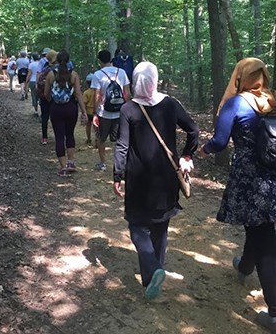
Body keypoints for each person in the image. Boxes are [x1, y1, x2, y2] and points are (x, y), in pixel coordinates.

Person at [199, 57, 276, 332]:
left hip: (249, 178)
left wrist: (203, 150)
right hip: (273, 175)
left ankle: (274, 311)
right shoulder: (272, 100)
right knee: (257, 228)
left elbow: (220, 141)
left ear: (240, 77)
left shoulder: (236, 103)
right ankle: (244, 267)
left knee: (264, 238)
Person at [113, 61, 199, 300]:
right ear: (155, 79)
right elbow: (193, 129)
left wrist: (117, 175)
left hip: (138, 179)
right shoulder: (170, 104)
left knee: (136, 225)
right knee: (160, 228)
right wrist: (187, 155)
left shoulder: (128, 109)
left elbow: (122, 145)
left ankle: (152, 270)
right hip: (166, 179)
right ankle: (154, 277)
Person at [44, 50, 88, 177]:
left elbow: (46, 93)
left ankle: (63, 168)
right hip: (71, 108)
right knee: (70, 134)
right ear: (69, 60)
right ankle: (71, 162)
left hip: (56, 109)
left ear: (56, 60)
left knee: (59, 136)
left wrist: (51, 101)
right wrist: (83, 111)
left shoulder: (51, 75)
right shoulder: (73, 74)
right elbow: (78, 94)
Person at [91, 49, 131, 171]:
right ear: (111, 59)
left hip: (104, 113)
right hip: (120, 112)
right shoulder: (122, 72)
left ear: (99, 60)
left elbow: (97, 96)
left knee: (101, 138)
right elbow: (127, 93)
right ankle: (120, 164)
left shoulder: (97, 74)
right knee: (121, 140)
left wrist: (95, 112)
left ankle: (103, 163)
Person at [38, 50, 58, 145]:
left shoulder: (45, 68)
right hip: (55, 98)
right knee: (56, 118)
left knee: (44, 117)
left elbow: (39, 81)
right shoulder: (59, 70)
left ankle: (44, 137)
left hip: (44, 97)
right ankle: (58, 136)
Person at [25, 51, 40, 116]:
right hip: (40, 81)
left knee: (34, 96)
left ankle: (36, 111)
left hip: (32, 81)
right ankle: (42, 111)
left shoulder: (31, 64)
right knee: (41, 96)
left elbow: (29, 74)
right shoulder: (41, 64)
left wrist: (26, 82)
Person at [82, 73, 96, 145]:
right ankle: (97, 140)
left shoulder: (86, 93)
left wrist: (83, 113)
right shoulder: (97, 92)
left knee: (88, 126)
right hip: (96, 112)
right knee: (96, 126)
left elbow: (84, 103)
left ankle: (89, 139)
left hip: (88, 112)